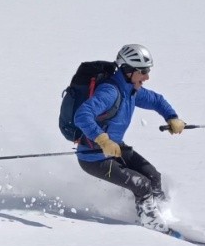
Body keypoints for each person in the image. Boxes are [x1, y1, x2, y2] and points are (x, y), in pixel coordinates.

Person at [73, 44, 186, 225]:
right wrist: (102, 140)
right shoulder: (110, 92)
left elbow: (156, 100)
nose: (147, 76)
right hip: (94, 157)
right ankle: (150, 222)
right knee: (141, 184)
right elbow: (82, 115)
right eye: (143, 71)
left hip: (116, 148)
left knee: (153, 176)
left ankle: (164, 213)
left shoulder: (130, 90)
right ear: (128, 70)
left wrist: (172, 117)